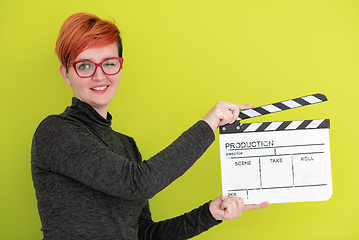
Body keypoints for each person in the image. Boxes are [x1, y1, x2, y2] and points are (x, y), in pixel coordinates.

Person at [31, 12, 268, 240]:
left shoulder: (126, 146)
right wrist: (208, 124)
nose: (99, 76)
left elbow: (143, 234)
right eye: (85, 66)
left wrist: (209, 214)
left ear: (120, 66)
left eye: (109, 63)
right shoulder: (55, 132)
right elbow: (137, 183)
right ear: (66, 74)